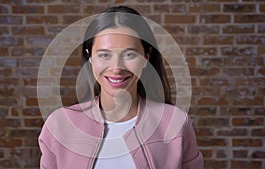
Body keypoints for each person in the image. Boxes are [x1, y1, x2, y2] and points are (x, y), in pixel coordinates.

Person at [38, 6, 203, 169]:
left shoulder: (176, 123)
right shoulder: (59, 125)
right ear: (90, 57)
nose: (116, 68)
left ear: (146, 56)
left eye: (129, 54)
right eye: (104, 55)